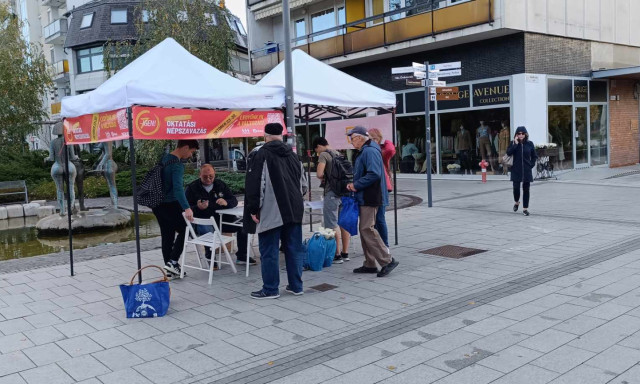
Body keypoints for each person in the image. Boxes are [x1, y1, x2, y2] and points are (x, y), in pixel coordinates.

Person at [244, 123, 307, 299]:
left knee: (269, 250)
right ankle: (296, 286)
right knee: (293, 248)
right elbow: (304, 185)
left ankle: (271, 289)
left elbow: (256, 184)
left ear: (265, 136)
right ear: (281, 135)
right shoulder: (294, 155)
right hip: (294, 209)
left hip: (272, 209)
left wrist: (254, 209)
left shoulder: (261, 154)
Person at [346, 126, 398, 277]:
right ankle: (369, 264)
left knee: (366, 228)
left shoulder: (369, 150)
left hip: (370, 195)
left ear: (360, 137)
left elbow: (374, 173)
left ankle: (387, 260)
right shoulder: (368, 149)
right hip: (368, 195)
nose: (351, 142)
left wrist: (356, 185)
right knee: (365, 229)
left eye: (352, 138)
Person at [185, 164, 255, 266]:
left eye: (211, 176)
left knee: (244, 224)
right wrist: (198, 207)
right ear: (199, 175)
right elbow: (185, 209)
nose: (208, 179)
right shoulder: (192, 188)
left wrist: (226, 202)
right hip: (202, 221)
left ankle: (242, 256)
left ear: (215, 174)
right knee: (208, 228)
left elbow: (234, 200)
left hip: (222, 220)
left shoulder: (220, 184)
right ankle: (210, 257)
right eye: (205, 177)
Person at [153, 140, 199, 277]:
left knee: (167, 236)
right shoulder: (177, 165)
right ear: (185, 147)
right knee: (186, 229)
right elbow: (178, 189)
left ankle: (170, 270)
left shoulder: (164, 159)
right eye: (191, 151)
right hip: (170, 204)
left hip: (158, 204)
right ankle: (172, 262)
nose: (191, 155)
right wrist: (187, 208)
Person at [312, 137, 350, 263]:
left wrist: (325, 176)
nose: (317, 152)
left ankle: (336, 254)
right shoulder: (339, 153)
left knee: (332, 223)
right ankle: (345, 253)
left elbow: (319, 174)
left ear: (319, 146)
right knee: (343, 222)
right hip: (344, 192)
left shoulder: (323, 154)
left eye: (316, 150)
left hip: (332, 192)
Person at [367, 128, 394, 248]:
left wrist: (385, 139)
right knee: (374, 219)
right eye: (370, 138)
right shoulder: (369, 150)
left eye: (374, 138)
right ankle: (379, 244)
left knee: (380, 218)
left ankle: (385, 245)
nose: (372, 141)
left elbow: (391, 149)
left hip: (382, 187)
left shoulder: (381, 151)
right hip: (372, 188)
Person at [507, 126, 538, 216]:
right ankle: (517, 202)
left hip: (526, 170)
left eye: (522, 133)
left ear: (525, 134)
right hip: (516, 170)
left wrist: (530, 165)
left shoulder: (530, 144)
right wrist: (515, 144)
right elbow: (508, 153)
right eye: (519, 133)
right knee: (516, 188)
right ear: (516, 135)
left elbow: (534, 156)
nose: (521, 135)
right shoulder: (512, 143)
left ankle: (525, 209)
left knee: (526, 189)